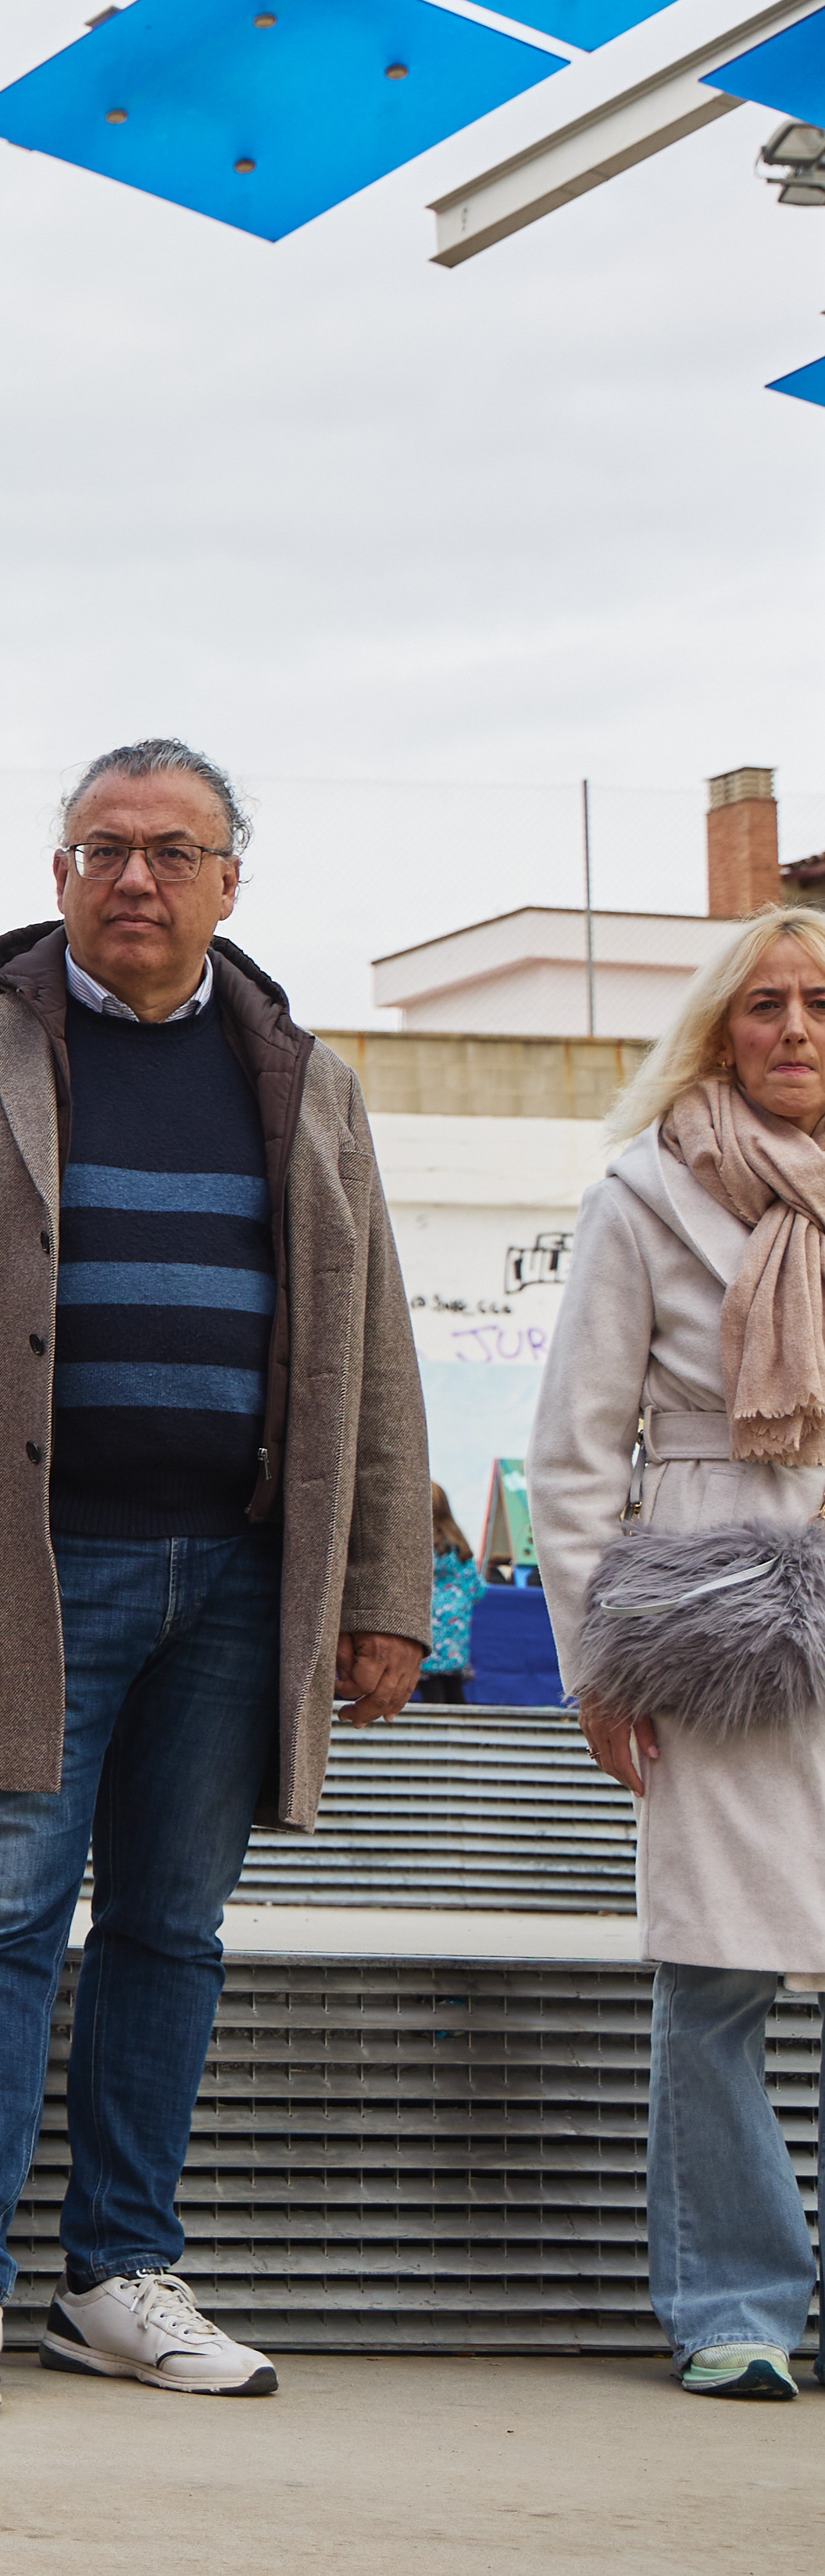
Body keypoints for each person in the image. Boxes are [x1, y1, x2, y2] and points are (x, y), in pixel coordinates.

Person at [0, 737, 429, 2417]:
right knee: (0, 1917)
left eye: (174, 850)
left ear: (234, 881)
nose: (136, 878)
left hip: (240, 1576)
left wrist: (386, 1587)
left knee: (172, 1927)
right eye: (103, 846)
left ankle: (118, 2273)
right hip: (30, 1571)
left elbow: (371, 1344)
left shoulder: (306, 1080)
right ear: (59, 875)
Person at [527, 905, 825, 2400]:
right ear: (719, 1028)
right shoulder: (643, 1194)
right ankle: (736, 2306)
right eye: (761, 1003)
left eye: (818, 1001)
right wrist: (597, 1663)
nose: (791, 1028)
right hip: (720, 1616)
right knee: (714, 1979)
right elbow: (575, 1450)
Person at [417, 1490, 481, 1705]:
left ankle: (435, 1737)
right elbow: (477, 1588)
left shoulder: (424, 1540)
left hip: (429, 1620)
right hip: (457, 1626)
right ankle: (464, 1736)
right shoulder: (459, 1542)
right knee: (453, 1688)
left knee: (431, 1689)